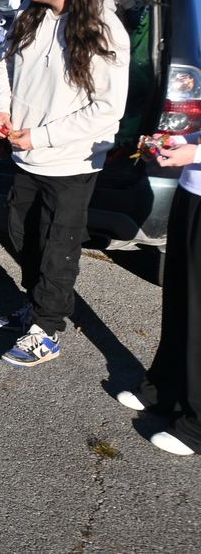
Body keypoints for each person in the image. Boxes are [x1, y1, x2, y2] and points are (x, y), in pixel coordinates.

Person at [0, 0, 129, 367]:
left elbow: (108, 110)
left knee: (57, 246)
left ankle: (48, 328)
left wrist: (42, 136)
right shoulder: (31, 15)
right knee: (20, 234)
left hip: (70, 161)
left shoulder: (102, 31)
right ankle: (35, 304)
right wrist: (2, 108)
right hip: (26, 155)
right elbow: (5, 64)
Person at [115, 135, 201, 456]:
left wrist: (197, 151)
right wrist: (178, 140)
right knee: (179, 300)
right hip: (191, 191)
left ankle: (197, 426)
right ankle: (164, 389)